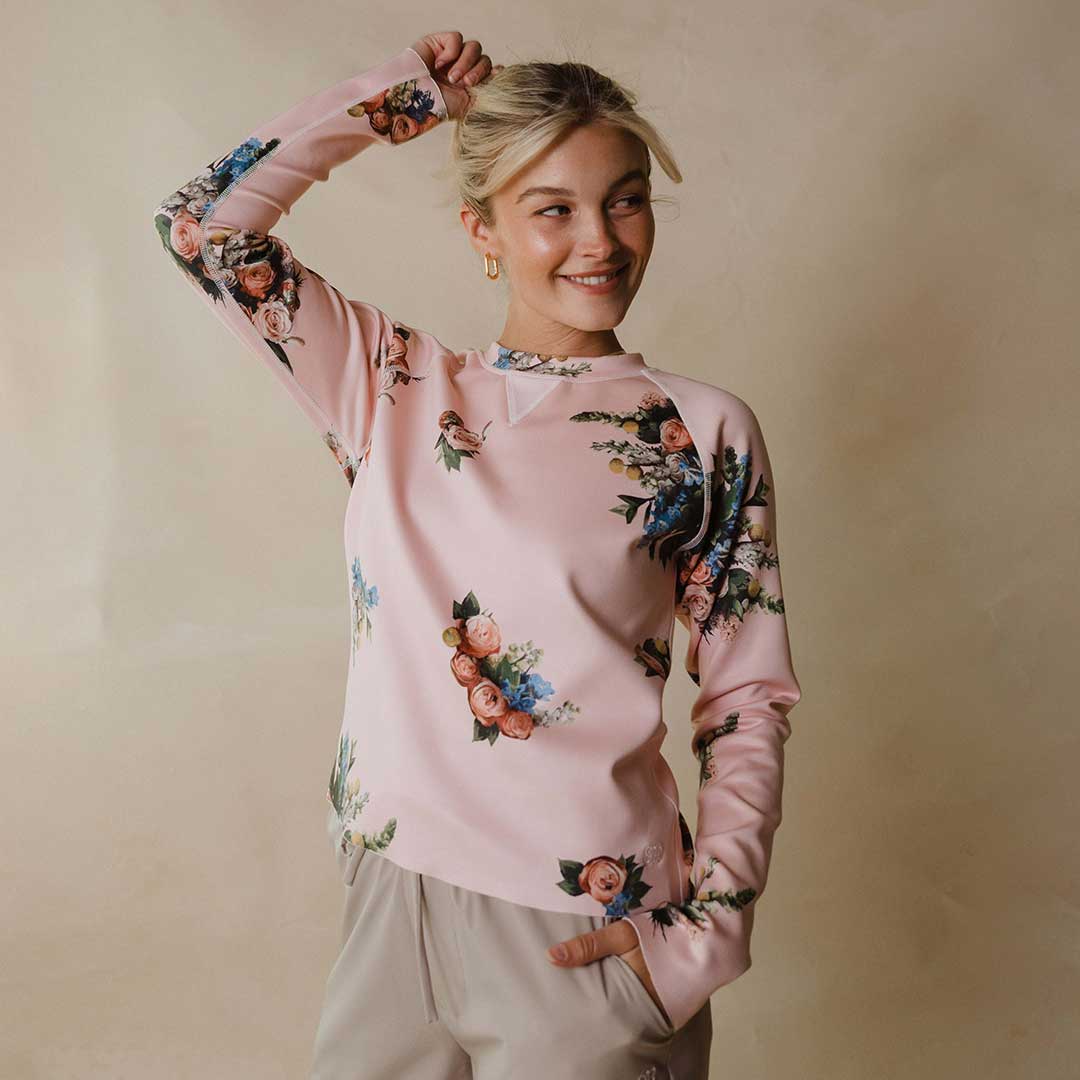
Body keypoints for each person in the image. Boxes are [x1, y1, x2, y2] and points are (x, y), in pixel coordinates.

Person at [152, 28, 802, 1080]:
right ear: (482, 231)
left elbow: (747, 696)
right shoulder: (392, 388)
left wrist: (706, 939)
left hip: (584, 932)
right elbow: (203, 226)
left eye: (625, 200)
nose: (599, 240)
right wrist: (403, 98)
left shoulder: (699, 431)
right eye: (552, 209)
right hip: (391, 907)